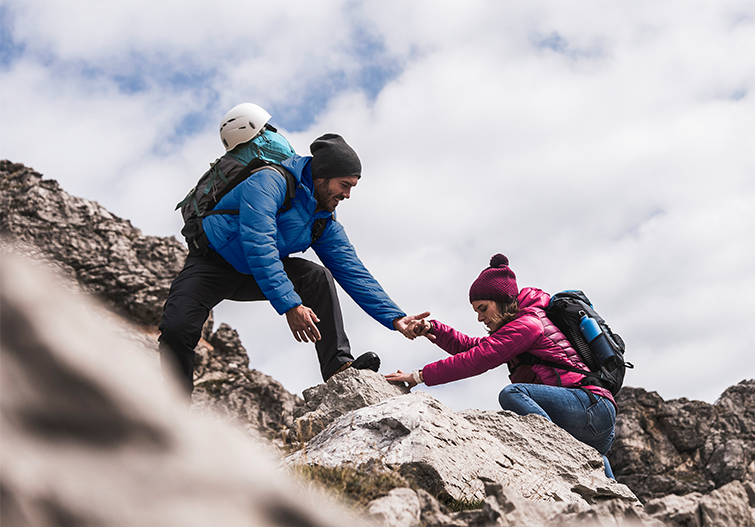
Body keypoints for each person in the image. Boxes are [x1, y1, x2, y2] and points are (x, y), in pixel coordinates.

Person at [159, 103, 426, 394]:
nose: (348, 195)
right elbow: (258, 244)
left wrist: (396, 317)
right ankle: (176, 409)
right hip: (213, 265)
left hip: (256, 272)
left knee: (317, 277)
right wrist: (290, 304)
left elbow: (353, 271)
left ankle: (338, 366)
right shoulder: (268, 182)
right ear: (322, 176)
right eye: (344, 185)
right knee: (176, 329)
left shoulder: (322, 219)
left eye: (353, 187)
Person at [385, 254, 617, 479]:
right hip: (593, 418)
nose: (479, 318)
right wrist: (432, 328)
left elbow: (477, 359)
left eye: (483, 308)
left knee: (512, 394)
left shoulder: (528, 325)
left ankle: (553, 451)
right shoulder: (518, 327)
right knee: (601, 472)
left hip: (591, 406)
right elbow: (471, 347)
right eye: (476, 311)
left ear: (502, 300)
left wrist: (419, 376)